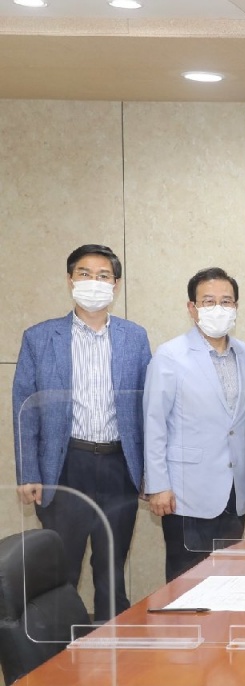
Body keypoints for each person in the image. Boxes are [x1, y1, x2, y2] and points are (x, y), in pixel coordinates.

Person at [12, 244, 151, 619]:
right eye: (85, 274)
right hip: (64, 467)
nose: (94, 282)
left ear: (116, 285)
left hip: (119, 466)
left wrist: (149, 473)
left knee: (112, 567)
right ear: (70, 279)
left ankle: (111, 640)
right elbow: (25, 409)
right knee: (62, 567)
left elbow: (146, 408)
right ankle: (57, 646)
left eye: (104, 276)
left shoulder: (134, 337)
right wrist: (28, 473)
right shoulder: (40, 338)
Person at [143, 268, 245, 582]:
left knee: (228, 580)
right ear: (192, 308)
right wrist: (158, 485)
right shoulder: (170, 356)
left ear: (236, 307)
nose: (218, 308)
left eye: (226, 301)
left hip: (234, 491)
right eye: (208, 302)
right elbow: (154, 423)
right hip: (186, 492)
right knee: (187, 582)